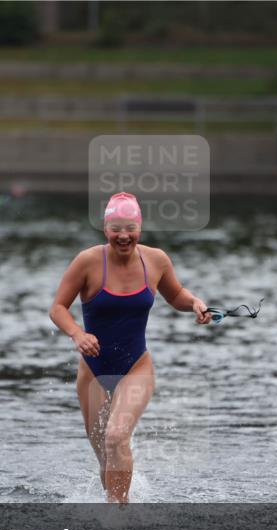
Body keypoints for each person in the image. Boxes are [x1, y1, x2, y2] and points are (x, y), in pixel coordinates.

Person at [49, 192, 212, 503]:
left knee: (116, 435)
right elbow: (57, 307)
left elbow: (175, 295)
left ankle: (119, 517)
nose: (123, 236)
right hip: (92, 373)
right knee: (105, 458)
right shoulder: (88, 262)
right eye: (115, 229)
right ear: (105, 229)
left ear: (140, 227)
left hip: (137, 366)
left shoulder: (156, 260)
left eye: (130, 228)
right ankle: (117, 514)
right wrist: (76, 334)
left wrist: (194, 303)